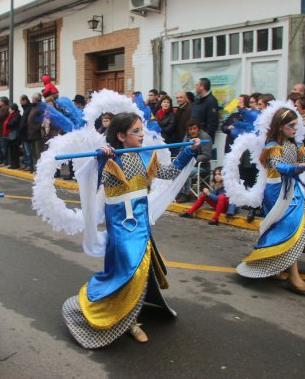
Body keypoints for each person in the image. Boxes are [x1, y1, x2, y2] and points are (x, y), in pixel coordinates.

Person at [62, 112, 202, 348]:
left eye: (141, 129)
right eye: (135, 131)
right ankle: (128, 321)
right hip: (120, 226)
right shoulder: (109, 159)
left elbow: (168, 174)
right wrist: (100, 160)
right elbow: (90, 183)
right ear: (120, 136)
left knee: (141, 268)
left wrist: (189, 151)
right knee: (129, 270)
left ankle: (132, 312)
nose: (141, 134)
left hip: (141, 223)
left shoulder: (147, 154)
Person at [236, 108, 305, 292]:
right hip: (276, 192)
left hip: (293, 190)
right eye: (291, 125)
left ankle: (283, 270)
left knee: (293, 227)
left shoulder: (296, 145)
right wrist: (296, 168)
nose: (295, 129)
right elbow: (279, 166)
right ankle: (293, 277)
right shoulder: (271, 146)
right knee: (286, 228)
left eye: (296, 125)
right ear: (280, 127)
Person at [175, 119, 212, 203]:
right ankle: (180, 191)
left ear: (198, 129)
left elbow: (206, 156)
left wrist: (191, 159)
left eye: (194, 128)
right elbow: (181, 150)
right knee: (176, 170)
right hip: (188, 164)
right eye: (190, 129)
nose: (192, 131)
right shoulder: (187, 136)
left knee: (185, 172)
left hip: (201, 166)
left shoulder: (205, 137)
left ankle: (186, 193)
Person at [4, 103, 22, 169]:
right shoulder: (11, 115)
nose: (9, 110)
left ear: (14, 109)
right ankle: (12, 164)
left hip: (15, 136)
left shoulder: (17, 116)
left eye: (10, 109)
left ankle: (15, 165)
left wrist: (7, 124)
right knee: (11, 151)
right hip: (11, 136)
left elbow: (11, 124)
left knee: (15, 151)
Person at [18, 94, 34, 171]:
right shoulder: (25, 108)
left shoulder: (29, 108)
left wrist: (22, 126)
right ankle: (26, 164)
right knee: (24, 150)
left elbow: (28, 121)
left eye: (21, 101)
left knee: (28, 150)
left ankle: (29, 165)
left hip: (27, 132)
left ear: (25, 100)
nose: (20, 103)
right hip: (23, 133)